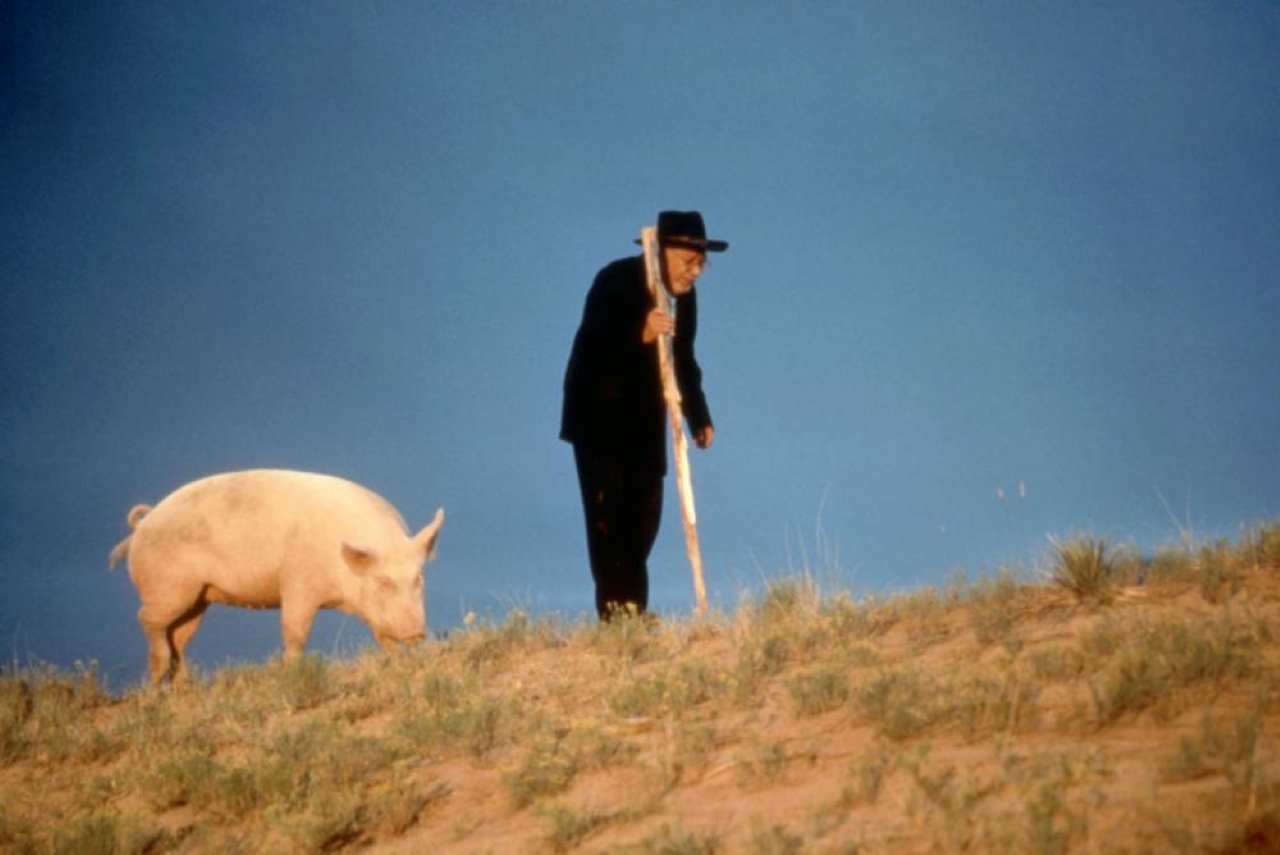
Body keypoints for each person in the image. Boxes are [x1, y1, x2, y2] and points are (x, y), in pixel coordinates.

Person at [560, 210, 729, 619]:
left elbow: (684, 358)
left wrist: (698, 415)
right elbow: (594, 348)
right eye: (689, 261)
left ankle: (629, 613)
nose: (696, 272)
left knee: (642, 525)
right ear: (663, 251)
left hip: (646, 424)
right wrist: (641, 334)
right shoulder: (615, 281)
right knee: (611, 526)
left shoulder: (684, 299)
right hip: (600, 422)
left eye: (702, 263)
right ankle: (622, 619)